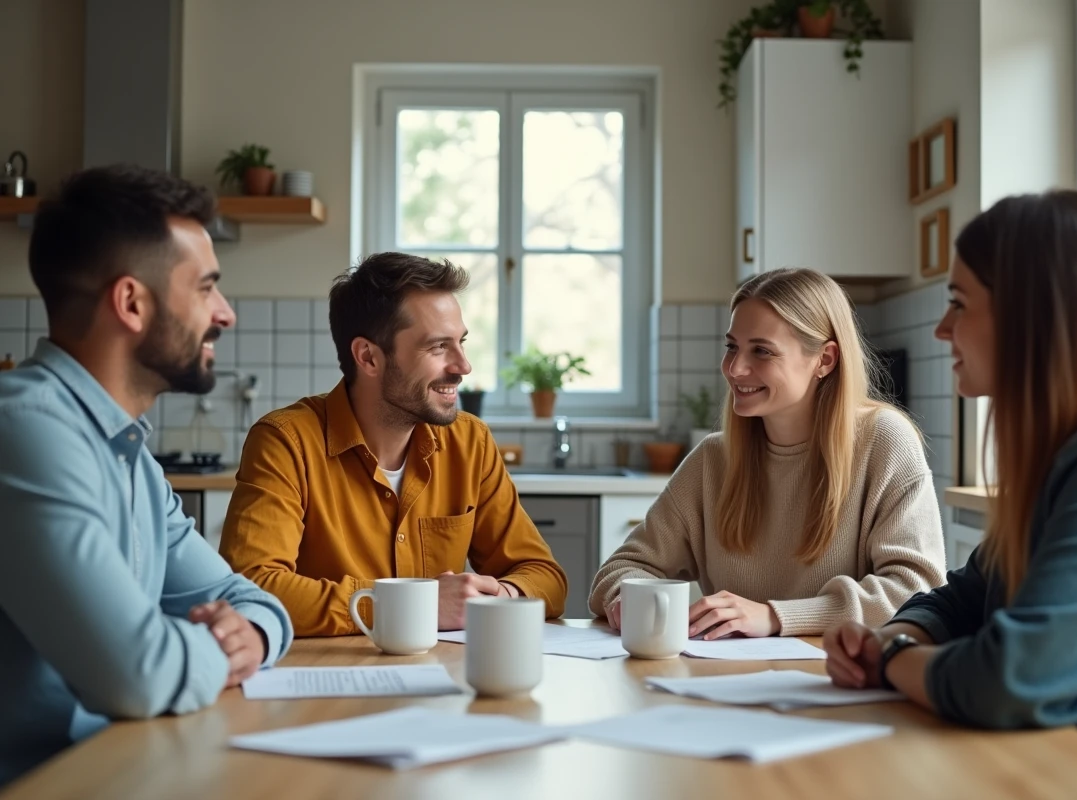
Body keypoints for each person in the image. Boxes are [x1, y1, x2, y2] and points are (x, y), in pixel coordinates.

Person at [823, 191, 1077, 795]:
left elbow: (1010, 677)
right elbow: (965, 596)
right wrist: (893, 637)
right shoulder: (1067, 457)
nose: (942, 328)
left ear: (1034, 315)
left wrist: (890, 663)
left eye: (958, 302)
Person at [0, 165, 293, 787]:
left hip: (114, 770)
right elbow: (138, 676)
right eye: (207, 288)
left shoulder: (127, 452)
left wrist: (253, 634)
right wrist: (218, 648)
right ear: (131, 303)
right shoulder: (24, 432)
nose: (226, 314)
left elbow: (247, 599)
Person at [220, 253, 568, 636]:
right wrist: (411, 606)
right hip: (331, 670)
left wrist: (500, 596)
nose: (463, 366)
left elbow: (544, 577)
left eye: (461, 342)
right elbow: (251, 587)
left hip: (440, 670)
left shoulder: (471, 442)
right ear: (368, 357)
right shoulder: (286, 442)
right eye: (438, 347)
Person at [589, 268, 946, 639]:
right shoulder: (713, 459)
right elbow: (621, 569)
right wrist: (626, 599)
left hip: (835, 669)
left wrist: (776, 617)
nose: (735, 368)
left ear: (825, 360)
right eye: (732, 347)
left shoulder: (884, 440)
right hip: (728, 670)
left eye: (762, 351)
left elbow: (916, 591)